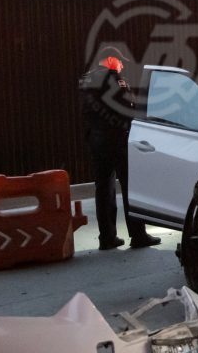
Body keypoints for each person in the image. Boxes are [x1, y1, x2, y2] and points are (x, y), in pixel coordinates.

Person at [79, 46, 161, 251]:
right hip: (117, 139)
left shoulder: (86, 80)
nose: (122, 64)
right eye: (119, 61)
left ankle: (106, 237)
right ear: (109, 60)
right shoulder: (115, 79)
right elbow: (128, 107)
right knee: (130, 186)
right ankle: (138, 235)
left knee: (103, 188)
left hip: (96, 140)